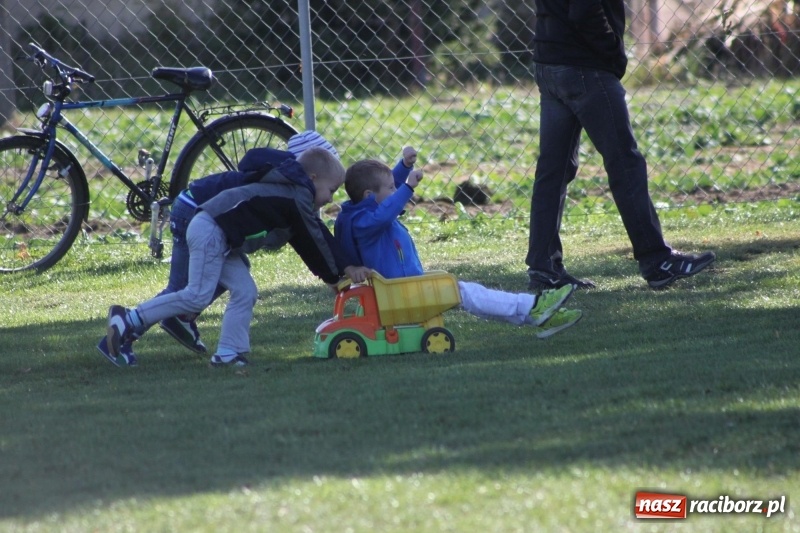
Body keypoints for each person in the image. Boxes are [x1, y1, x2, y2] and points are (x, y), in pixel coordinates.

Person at [103, 147, 371, 367]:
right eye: (331, 190)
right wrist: (338, 273)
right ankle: (128, 319)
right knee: (196, 294)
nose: (330, 198)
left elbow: (307, 238)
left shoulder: (292, 190)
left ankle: (228, 353)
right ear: (312, 178)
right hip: (210, 229)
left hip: (220, 236)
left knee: (245, 290)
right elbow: (313, 239)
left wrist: (338, 271)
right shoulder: (297, 194)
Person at [525, 0, 716, 293]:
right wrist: (612, 53)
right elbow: (584, 10)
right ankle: (656, 261)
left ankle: (544, 269)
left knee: (553, 170)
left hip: (549, 62)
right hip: (586, 67)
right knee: (625, 163)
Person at [335, 158, 581, 338]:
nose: (396, 191)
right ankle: (533, 307)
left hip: (405, 289)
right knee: (463, 292)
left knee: (465, 293)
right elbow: (385, 211)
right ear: (369, 195)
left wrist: (403, 166)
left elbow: (385, 197)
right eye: (392, 188)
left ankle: (536, 314)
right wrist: (409, 187)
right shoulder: (365, 223)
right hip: (400, 295)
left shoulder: (364, 212)